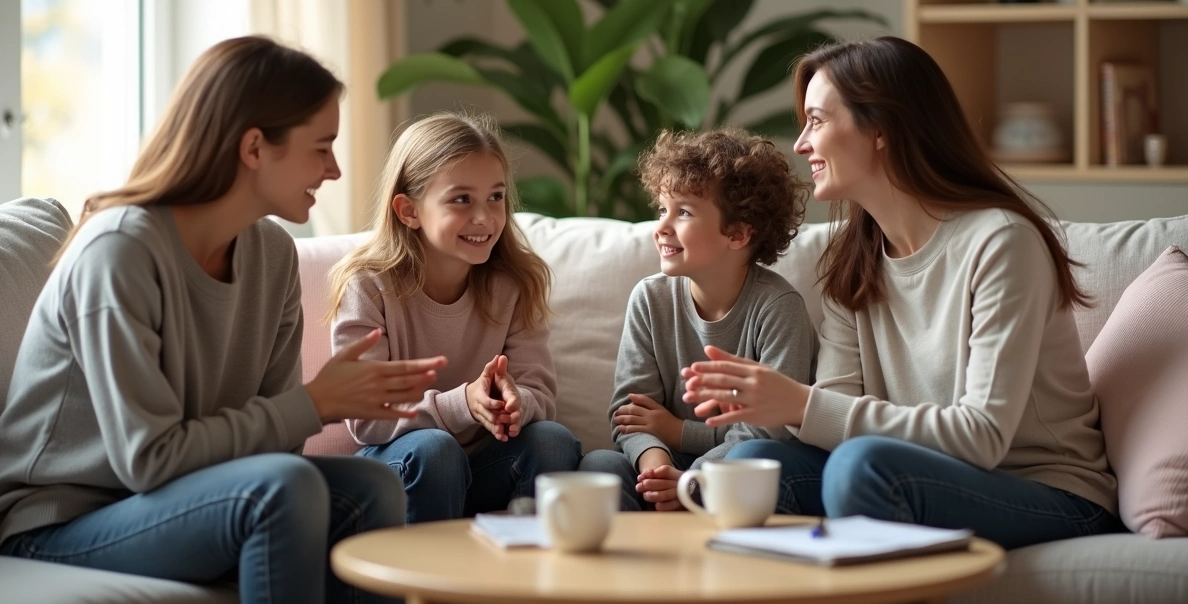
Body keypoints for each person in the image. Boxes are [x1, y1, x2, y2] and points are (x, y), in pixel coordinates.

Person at [0, 36, 448, 604]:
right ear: (254, 148)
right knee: (283, 490)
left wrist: (307, 410)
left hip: (172, 501)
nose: (336, 169)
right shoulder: (120, 253)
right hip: (54, 523)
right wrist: (316, 403)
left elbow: (275, 451)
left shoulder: (272, 257)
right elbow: (149, 460)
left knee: (371, 487)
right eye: (321, 147)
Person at [681, 36, 1124, 550]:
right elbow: (839, 413)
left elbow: (981, 436)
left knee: (860, 468)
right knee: (754, 467)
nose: (801, 144)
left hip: (1048, 491)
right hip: (918, 476)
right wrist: (784, 407)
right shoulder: (853, 264)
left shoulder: (1001, 242)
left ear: (881, 130)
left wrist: (800, 403)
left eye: (817, 121)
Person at [328, 111, 581, 524]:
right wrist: (462, 403)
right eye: (461, 199)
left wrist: (514, 403)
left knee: (552, 441)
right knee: (436, 450)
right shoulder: (368, 285)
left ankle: (527, 578)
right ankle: (432, 584)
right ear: (408, 211)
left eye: (495, 197)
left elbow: (540, 393)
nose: (484, 217)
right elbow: (366, 416)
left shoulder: (514, 283)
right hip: (402, 466)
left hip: (480, 468)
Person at [578, 128, 816, 512]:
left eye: (683, 212)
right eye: (662, 209)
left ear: (737, 234)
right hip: (669, 464)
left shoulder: (778, 307)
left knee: (751, 456)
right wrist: (657, 470)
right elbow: (630, 410)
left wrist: (682, 446)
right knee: (600, 465)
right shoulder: (650, 298)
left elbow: (768, 430)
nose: (661, 227)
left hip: (732, 469)